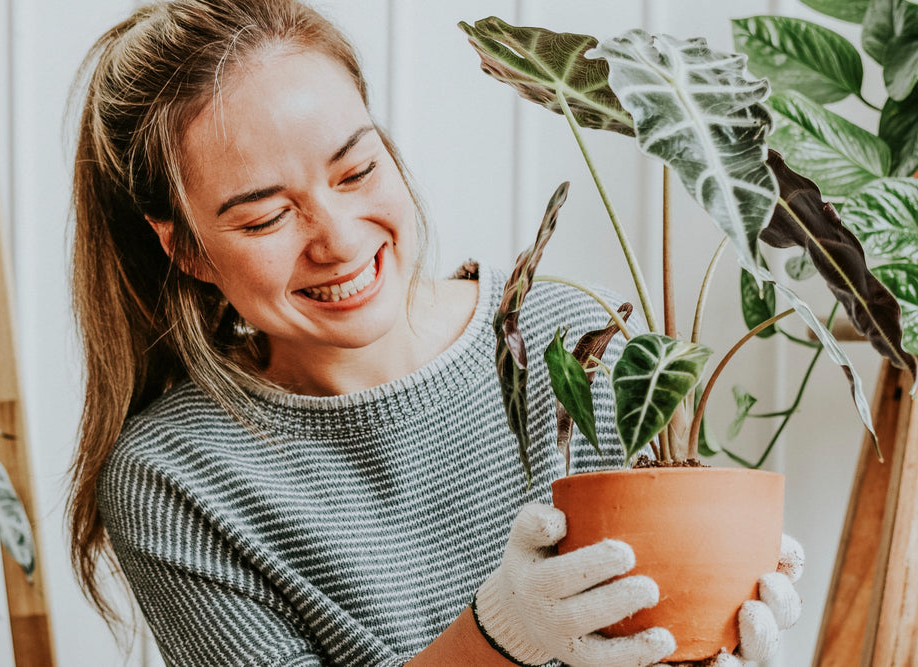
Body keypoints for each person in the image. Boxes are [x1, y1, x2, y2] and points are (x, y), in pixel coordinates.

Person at [66, 1, 803, 665]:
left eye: (355, 171)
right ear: (186, 248)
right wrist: (498, 636)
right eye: (266, 217)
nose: (339, 240)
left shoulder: (584, 340)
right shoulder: (175, 479)